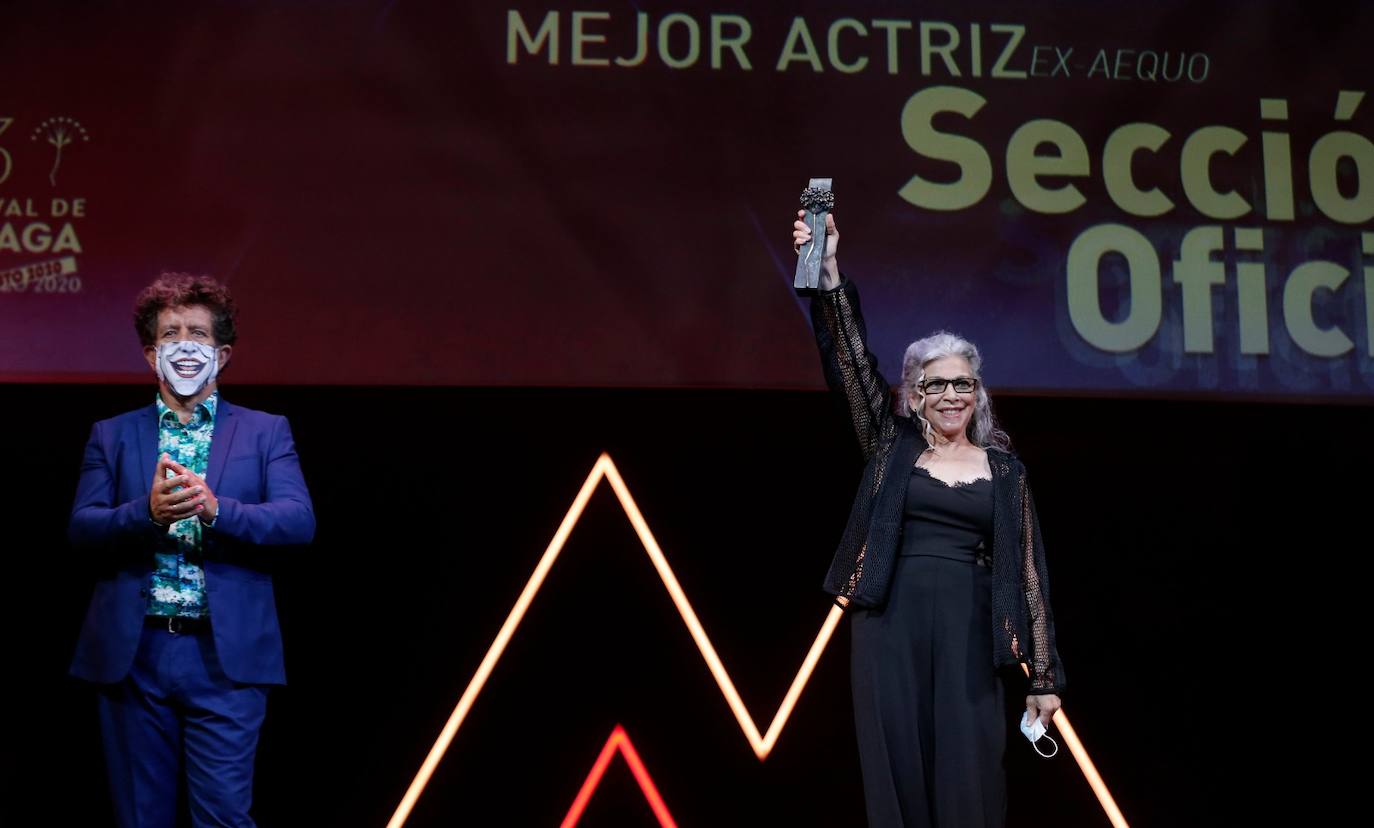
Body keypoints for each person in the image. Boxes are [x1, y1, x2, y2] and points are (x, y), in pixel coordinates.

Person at [793, 211, 1065, 827]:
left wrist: (1043, 676)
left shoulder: (1005, 470)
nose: (950, 396)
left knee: (971, 774)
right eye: (934, 385)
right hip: (890, 624)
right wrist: (829, 269)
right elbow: (853, 368)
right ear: (913, 394)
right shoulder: (892, 447)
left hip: (972, 630)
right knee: (899, 772)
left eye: (962, 384)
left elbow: (1029, 575)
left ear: (978, 392)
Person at [68, 273, 315, 827]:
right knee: (140, 817)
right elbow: (82, 528)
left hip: (225, 660)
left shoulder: (265, 432)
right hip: (135, 657)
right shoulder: (112, 434)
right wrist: (145, 514)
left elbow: (298, 521)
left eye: (198, 334)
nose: (185, 344)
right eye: (171, 333)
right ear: (151, 353)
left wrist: (217, 509)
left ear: (221, 354)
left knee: (223, 817)